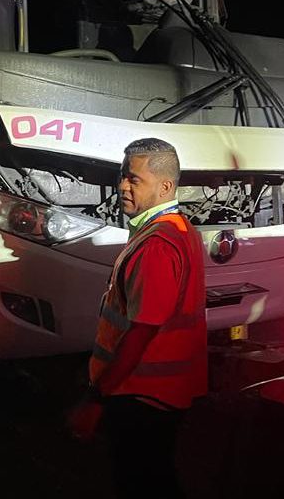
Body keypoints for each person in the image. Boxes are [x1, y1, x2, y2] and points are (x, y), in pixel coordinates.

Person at [69, 138, 208, 498]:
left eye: (133, 179)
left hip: (141, 397)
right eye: (122, 176)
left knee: (141, 482)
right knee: (156, 477)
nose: (122, 186)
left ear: (165, 186)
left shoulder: (157, 245)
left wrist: (96, 398)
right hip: (164, 395)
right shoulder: (179, 230)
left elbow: (141, 332)